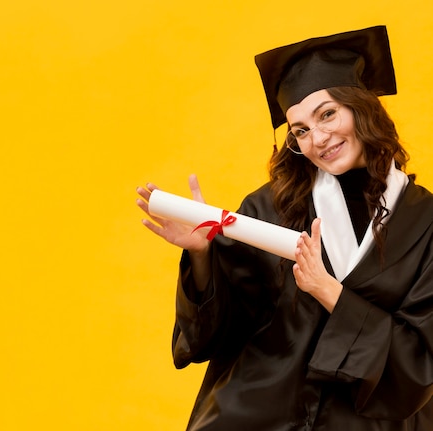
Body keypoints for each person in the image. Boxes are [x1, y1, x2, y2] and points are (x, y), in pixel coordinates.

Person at [136, 25, 433, 430]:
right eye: (300, 130)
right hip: (265, 413)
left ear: (362, 108)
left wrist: (328, 291)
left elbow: (420, 358)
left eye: (328, 114)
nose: (319, 138)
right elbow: (223, 329)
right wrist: (203, 255)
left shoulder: (424, 221)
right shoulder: (270, 204)